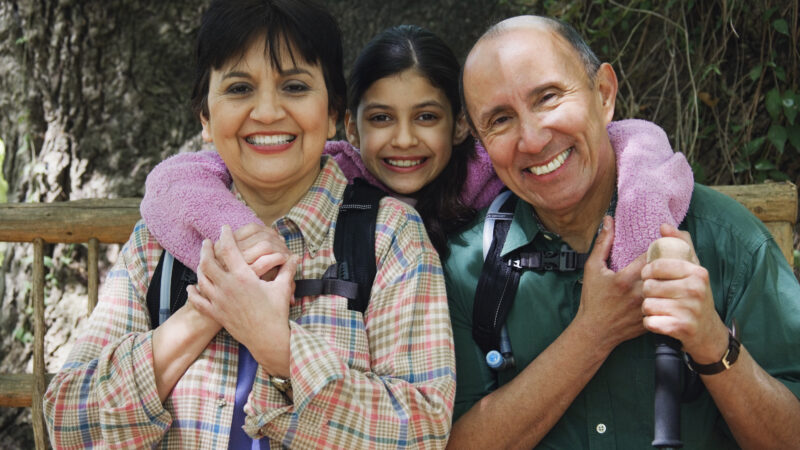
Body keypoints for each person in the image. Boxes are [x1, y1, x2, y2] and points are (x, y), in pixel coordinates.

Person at [42, 1, 456, 448]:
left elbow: (421, 431)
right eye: (239, 88)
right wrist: (206, 310)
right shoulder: (161, 239)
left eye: (294, 86)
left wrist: (278, 345)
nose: (266, 112)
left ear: (335, 111)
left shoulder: (388, 236)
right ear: (205, 116)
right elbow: (67, 422)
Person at [444, 15, 800, 449]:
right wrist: (594, 332)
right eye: (500, 120)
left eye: (548, 97)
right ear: (480, 143)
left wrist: (710, 339)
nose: (533, 140)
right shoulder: (468, 267)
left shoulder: (726, 240)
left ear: (604, 93)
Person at [140, 26, 688, 272]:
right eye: (381, 119)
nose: (403, 140)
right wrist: (243, 244)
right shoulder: (329, 172)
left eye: (426, 117)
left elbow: (633, 141)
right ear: (348, 130)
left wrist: (639, 239)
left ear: (460, 126)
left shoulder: (498, 167)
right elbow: (178, 180)